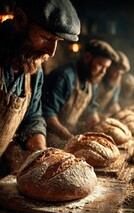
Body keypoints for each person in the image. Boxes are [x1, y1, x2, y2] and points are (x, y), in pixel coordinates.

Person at [0, 0, 80, 176]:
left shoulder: (32, 68)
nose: (51, 52)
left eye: (57, 41)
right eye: (46, 38)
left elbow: (33, 118)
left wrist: (41, 153)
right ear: (20, 19)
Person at [42, 39, 118, 148]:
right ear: (87, 57)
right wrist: (70, 137)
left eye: (106, 68)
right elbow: (48, 114)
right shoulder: (65, 77)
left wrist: (99, 130)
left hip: (69, 133)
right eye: (101, 65)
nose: (103, 72)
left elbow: (91, 109)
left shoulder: (92, 81)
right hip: (49, 137)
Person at [95, 50, 130, 118]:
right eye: (116, 72)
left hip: (101, 114)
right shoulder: (97, 79)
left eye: (120, 74)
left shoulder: (116, 84)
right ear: (110, 67)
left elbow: (114, 102)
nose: (117, 76)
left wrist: (118, 110)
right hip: (87, 116)